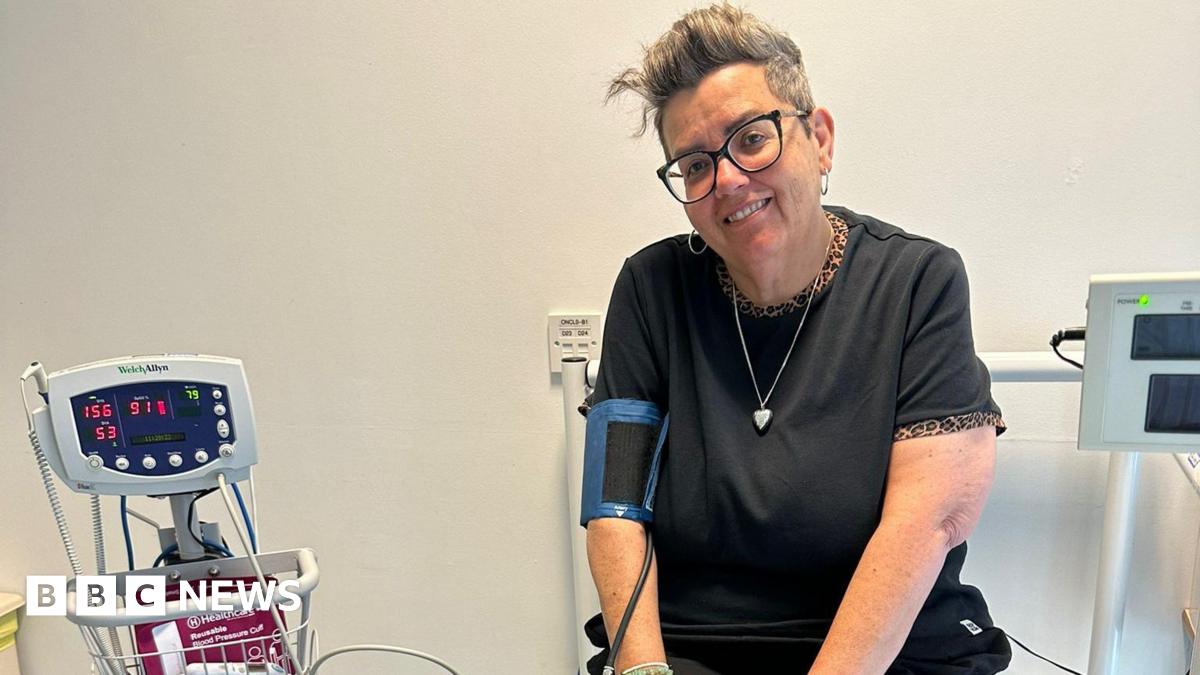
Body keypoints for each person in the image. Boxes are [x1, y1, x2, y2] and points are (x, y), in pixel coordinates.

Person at [582, 4, 1011, 674]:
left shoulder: (917, 283)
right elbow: (615, 511)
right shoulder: (650, 289)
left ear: (820, 140)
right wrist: (642, 670)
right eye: (694, 165)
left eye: (752, 138)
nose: (727, 179)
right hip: (695, 647)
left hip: (888, 648)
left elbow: (927, 522)